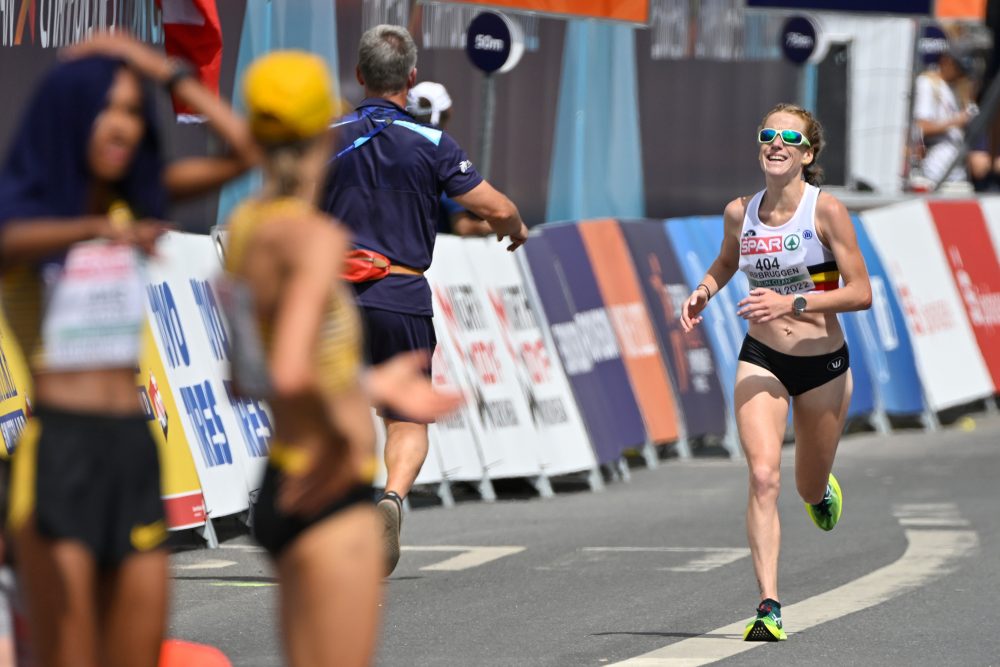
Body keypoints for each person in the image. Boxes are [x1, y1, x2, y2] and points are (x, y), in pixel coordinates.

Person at [0, 34, 257, 667]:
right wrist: (102, 231)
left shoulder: (138, 201)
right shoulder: (26, 210)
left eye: (132, 112)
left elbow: (243, 151)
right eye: (106, 109)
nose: (122, 126)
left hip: (132, 450)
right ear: (68, 116)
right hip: (59, 452)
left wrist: (162, 71)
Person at [222, 51, 462, 667]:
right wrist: (377, 380)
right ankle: (394, 497)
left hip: (280, 478)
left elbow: (245, 377)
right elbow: (290, 370)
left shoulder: (248, 230)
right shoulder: (314, 241)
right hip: (329, 480)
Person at [321, 24, 529, 576]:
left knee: (330, 409)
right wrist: (515, 227)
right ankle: (389, 499)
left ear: (360, 75)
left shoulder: (327, 135)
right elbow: (495, 205)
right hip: (400, 290)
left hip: (332, 297)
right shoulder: (433, 143)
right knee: (407, 418)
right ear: (410, 81)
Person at [680, 103, 872, 642]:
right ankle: (769, 605)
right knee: (763, 476)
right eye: (767, 134)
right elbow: (726, 260)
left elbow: (860, 291)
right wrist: (704, 291)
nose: (776, 143)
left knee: (806, 484)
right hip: (761, 358)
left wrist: (792, 304)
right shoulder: (740, 212)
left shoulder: (826, 211)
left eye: (789, 137)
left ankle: (819, 492)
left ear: (807, 155)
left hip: (824, 367)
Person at [407, 81, 493, 237]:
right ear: (445, 116)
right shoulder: (441, 155)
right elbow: (462, 227)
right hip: (429, 253)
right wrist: (491, 226)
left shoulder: (386, 147)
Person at [911, 41, 981, 189]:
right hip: (936, 171)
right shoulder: (928, 83)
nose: (961, 74)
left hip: (958, 170)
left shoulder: (953, 88)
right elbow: (921, 127)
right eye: (959, 68)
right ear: (946, 61)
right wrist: (958, 120)